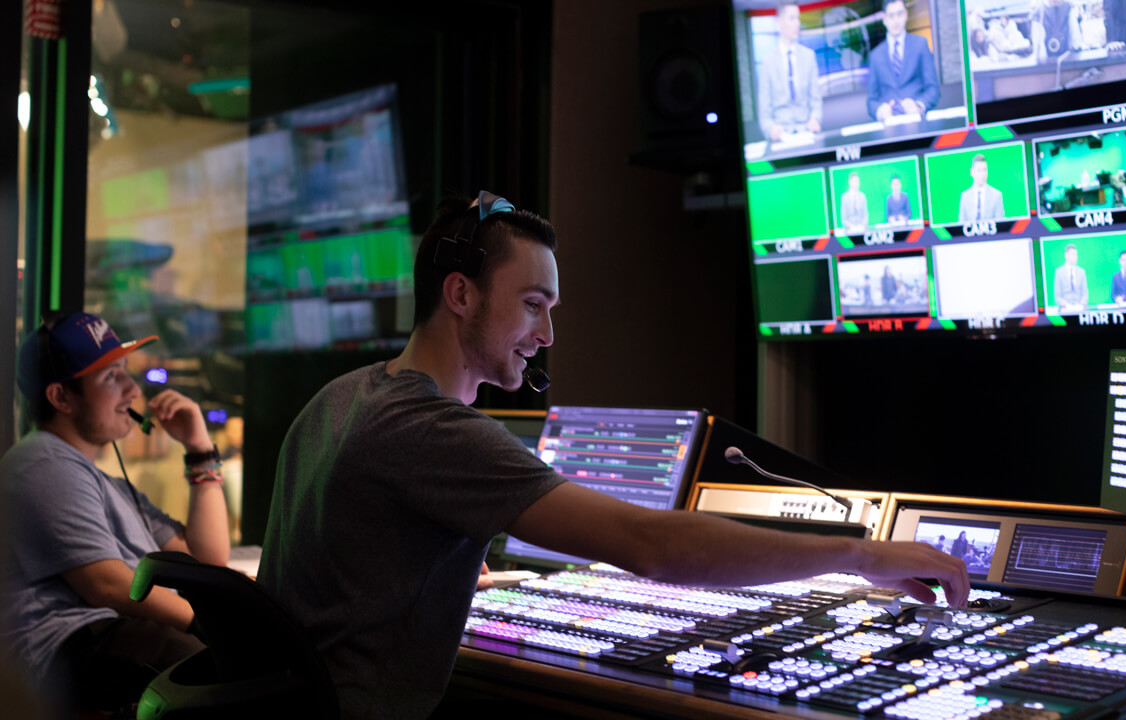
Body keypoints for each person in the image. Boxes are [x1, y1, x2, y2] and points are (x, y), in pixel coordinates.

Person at [258, 191, 970, 720]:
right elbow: (650, 545)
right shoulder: (430, 429)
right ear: (460, 294)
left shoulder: (342, 397)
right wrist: (860, 556)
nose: (548, 333)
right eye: (535, 303)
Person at [1, 312, 229, 716]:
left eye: (126, 372)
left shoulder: (108, 484)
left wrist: (198, 448)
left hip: (113, 632)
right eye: (110, 378)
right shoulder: (42, 461)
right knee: (226, 673)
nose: (132, 390)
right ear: (61, 398)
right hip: (74, 642)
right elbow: (107, 584)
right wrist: (223, 626)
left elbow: (207, 558)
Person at [757, 1, 823, 142]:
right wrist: (770, 129)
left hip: (807, 131)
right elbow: (764, 110)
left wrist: (815, 119)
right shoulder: (768, 62)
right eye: (792, 18)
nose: (797, 23)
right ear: (780, 22)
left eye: (798, 18)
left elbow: (816, 100)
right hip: (781, 135)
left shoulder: (809, 56)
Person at [865, 0, 940, 122]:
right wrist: (881, 111)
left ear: (906, 15)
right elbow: (871, 100)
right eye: (891, 16)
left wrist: (918, 106)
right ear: (884, 19)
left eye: (899, 14)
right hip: (889, 125)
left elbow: (933, 89)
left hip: (917, 121)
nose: (896, 20)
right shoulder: (875, 55)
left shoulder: (920, 44)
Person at [958, 154, 1006, 223]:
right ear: (972, 172)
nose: (982, 174)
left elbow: (1001, 224)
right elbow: (961, 224)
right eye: (979, 170)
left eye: (984, 170)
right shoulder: (965, 196)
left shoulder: (996, 195)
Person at [1054, 243, 1089, 312]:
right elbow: (1057, 296)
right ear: (1066, 255)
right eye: (1073, 254)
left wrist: (1083, 300)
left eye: (1076, 255)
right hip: (1065, 308)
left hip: (1079, 307)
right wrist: (1065, 304)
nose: (1075, 257)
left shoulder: (1081, 272)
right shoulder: (1059, 272)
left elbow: (1085, 292)